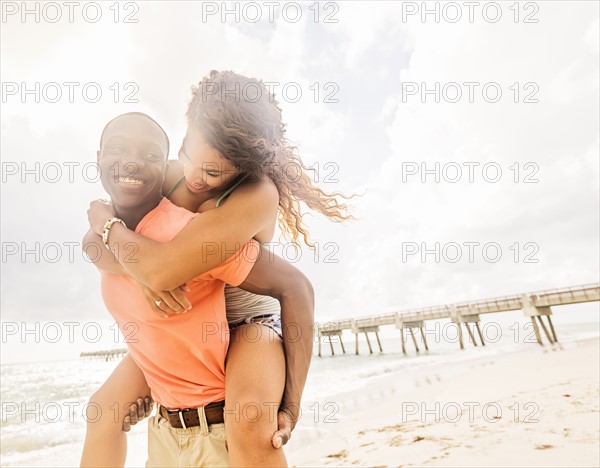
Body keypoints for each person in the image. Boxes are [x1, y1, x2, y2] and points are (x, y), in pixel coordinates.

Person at [83, 70, 353, 467]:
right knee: (103, 410)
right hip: (190, 322)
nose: (193, 177)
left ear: (242, 169)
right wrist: (111, 235)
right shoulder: (173, 171)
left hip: (248, 319)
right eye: (188, 154)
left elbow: (293, 288)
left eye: (212, 173)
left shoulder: (255, 194)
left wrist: (292, 403)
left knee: (248, 424)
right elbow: (102, 246)